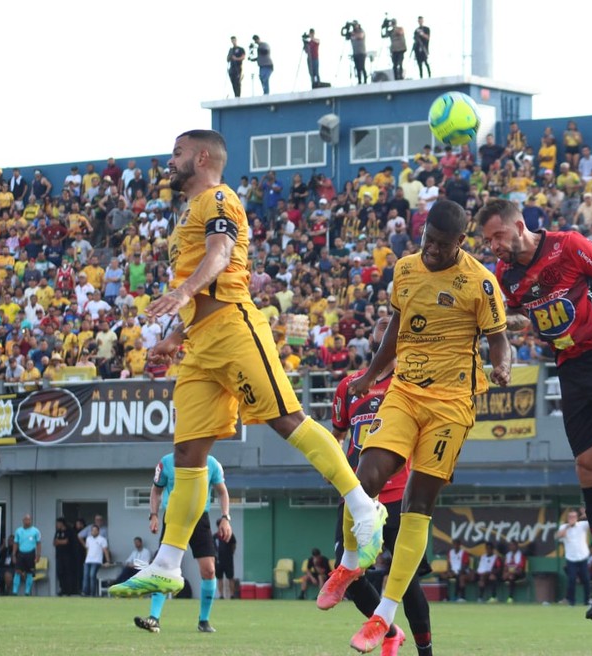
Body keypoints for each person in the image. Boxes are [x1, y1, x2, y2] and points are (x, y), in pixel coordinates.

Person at [110, 129, 384, 599]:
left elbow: (219, 255)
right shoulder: (185, 218)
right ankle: (170, 563)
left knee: (286, 421)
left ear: (199, 158)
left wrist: (183, 292)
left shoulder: (219, 197)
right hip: (198, 345)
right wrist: (176, 335)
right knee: (187, 455)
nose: (169, 162)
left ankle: (362, 507)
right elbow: (208, 274)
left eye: (176, 154)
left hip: (235, 331)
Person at [316, 199, 510, 653]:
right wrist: (369, 375)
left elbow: (500, 340)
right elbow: (397, 326)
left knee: (417, 502)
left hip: (451, 406)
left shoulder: (480, 282)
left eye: (443, 246)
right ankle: (347, 564)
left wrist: (501, 367)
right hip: (404, 392)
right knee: (363, 479)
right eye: (428, 241)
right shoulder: (404, 269)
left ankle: (382, 617)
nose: (433, 252)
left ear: (461, 242)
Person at [478, 198, 592, 619]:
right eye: (487, 239)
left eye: (498, 235)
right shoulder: (505, 277)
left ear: (519, 226)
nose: (493, 245)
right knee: (587, 466)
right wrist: (505, 337)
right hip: (572, 368)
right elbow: (528, 315)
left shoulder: (568, 245)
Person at [325, 315, 433, 655]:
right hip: (357, 496)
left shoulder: (411, 386)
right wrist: (337, 471)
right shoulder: (349, 386)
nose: (386, 327)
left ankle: (425, 651)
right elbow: (337, 435)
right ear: (374, 343)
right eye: (382, 327)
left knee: (409, 583)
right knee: (347, 575)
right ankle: (389, 632)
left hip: (401, 496)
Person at [134, 452, 230, 634]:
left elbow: (222, 492)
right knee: (163, 567)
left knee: (209, 570)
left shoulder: (211, 463)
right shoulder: (167, 462)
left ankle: (204, 621)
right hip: (174, 517)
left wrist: (225, 517)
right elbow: (156, 490)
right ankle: (154, 618)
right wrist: (153, 515)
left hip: (200, 518)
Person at [557, 508, 592, 607]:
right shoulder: (563, 527)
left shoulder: (582, 525)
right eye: (570, 517)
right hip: (571, 558)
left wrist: (585, 514)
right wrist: (567, 527)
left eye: (573, 517)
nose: (571, 518)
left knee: (586, 580)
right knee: (571, 580)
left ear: (577, 518)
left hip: (583, 557)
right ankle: (571, 601)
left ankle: (587, 601)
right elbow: (558, 536)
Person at [12, 514, 41, 597]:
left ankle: (27, 592)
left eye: (28, 519)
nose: (27, 521)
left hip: (31, 553)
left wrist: (38, 555)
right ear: (23, 520)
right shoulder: (18, 531)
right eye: (25, 519)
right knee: (17, 571)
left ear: (31, 520)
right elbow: (15, 543)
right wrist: (13, 554)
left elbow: (38, 543)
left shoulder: (36, 531)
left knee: (29, 572)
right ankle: (14, 591)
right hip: (21, 553)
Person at [81, 524, 110, 597]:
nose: (93, 532)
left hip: (97, 561)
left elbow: (105, 551)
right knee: (86, 576)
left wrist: (108, 561)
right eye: (92, 530)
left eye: (95, 530)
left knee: (92, 575)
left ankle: (92, 593)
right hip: (88, 561)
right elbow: (87, 550)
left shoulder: (102, 539)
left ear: (98, 531)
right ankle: (85, 592)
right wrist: (85, 559)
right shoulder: (88, 539)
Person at [52, 517, 78, 595]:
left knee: (68, 572)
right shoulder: (57, 532)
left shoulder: (69, 531)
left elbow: (66, 542)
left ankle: (69, 590)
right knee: (60, 572)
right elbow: (54, 542)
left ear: (62, 523)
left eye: (58, 523)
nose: (57, 525)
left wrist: (59, 542)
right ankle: (62, 589)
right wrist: (60, 542)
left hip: (68, 556)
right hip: (59, 556)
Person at [214, 517, 237, 600]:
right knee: (219, 578)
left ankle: (232, 595)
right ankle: (221, 595)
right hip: (218, 561)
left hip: (228, 560)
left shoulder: (229, 535)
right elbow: (213, 548)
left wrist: (231, 553)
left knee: (230, 577)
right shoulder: (215, 537)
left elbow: (234, 544)